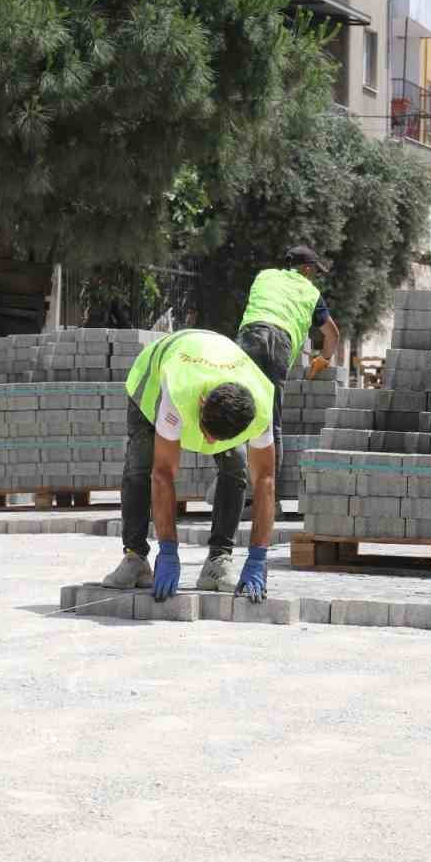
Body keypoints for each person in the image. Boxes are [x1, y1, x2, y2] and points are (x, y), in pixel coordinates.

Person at [101, 329, 278, 601]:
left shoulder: (261, 405)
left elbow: (265, 479)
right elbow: (163, 474)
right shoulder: (178, 392)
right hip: (153, 376)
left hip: (216, 359)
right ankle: (135, 557)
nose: (207, 442)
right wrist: (169, 550)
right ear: (202, 402)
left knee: (236, 467)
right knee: (140, 467)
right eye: (206, 431)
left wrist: (258, 557)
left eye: (216, 439)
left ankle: (218, 561)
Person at [235, 245, 341, 520]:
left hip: (246, 339)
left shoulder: (264, 276)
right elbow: (332, 334)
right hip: (276, 343)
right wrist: (324, 359)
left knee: (241, 412)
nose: (314, 278)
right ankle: (264, 501)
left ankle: (237, 494)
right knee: (271, 422)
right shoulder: (310, 291)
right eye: (314, 272)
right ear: (307, 269)